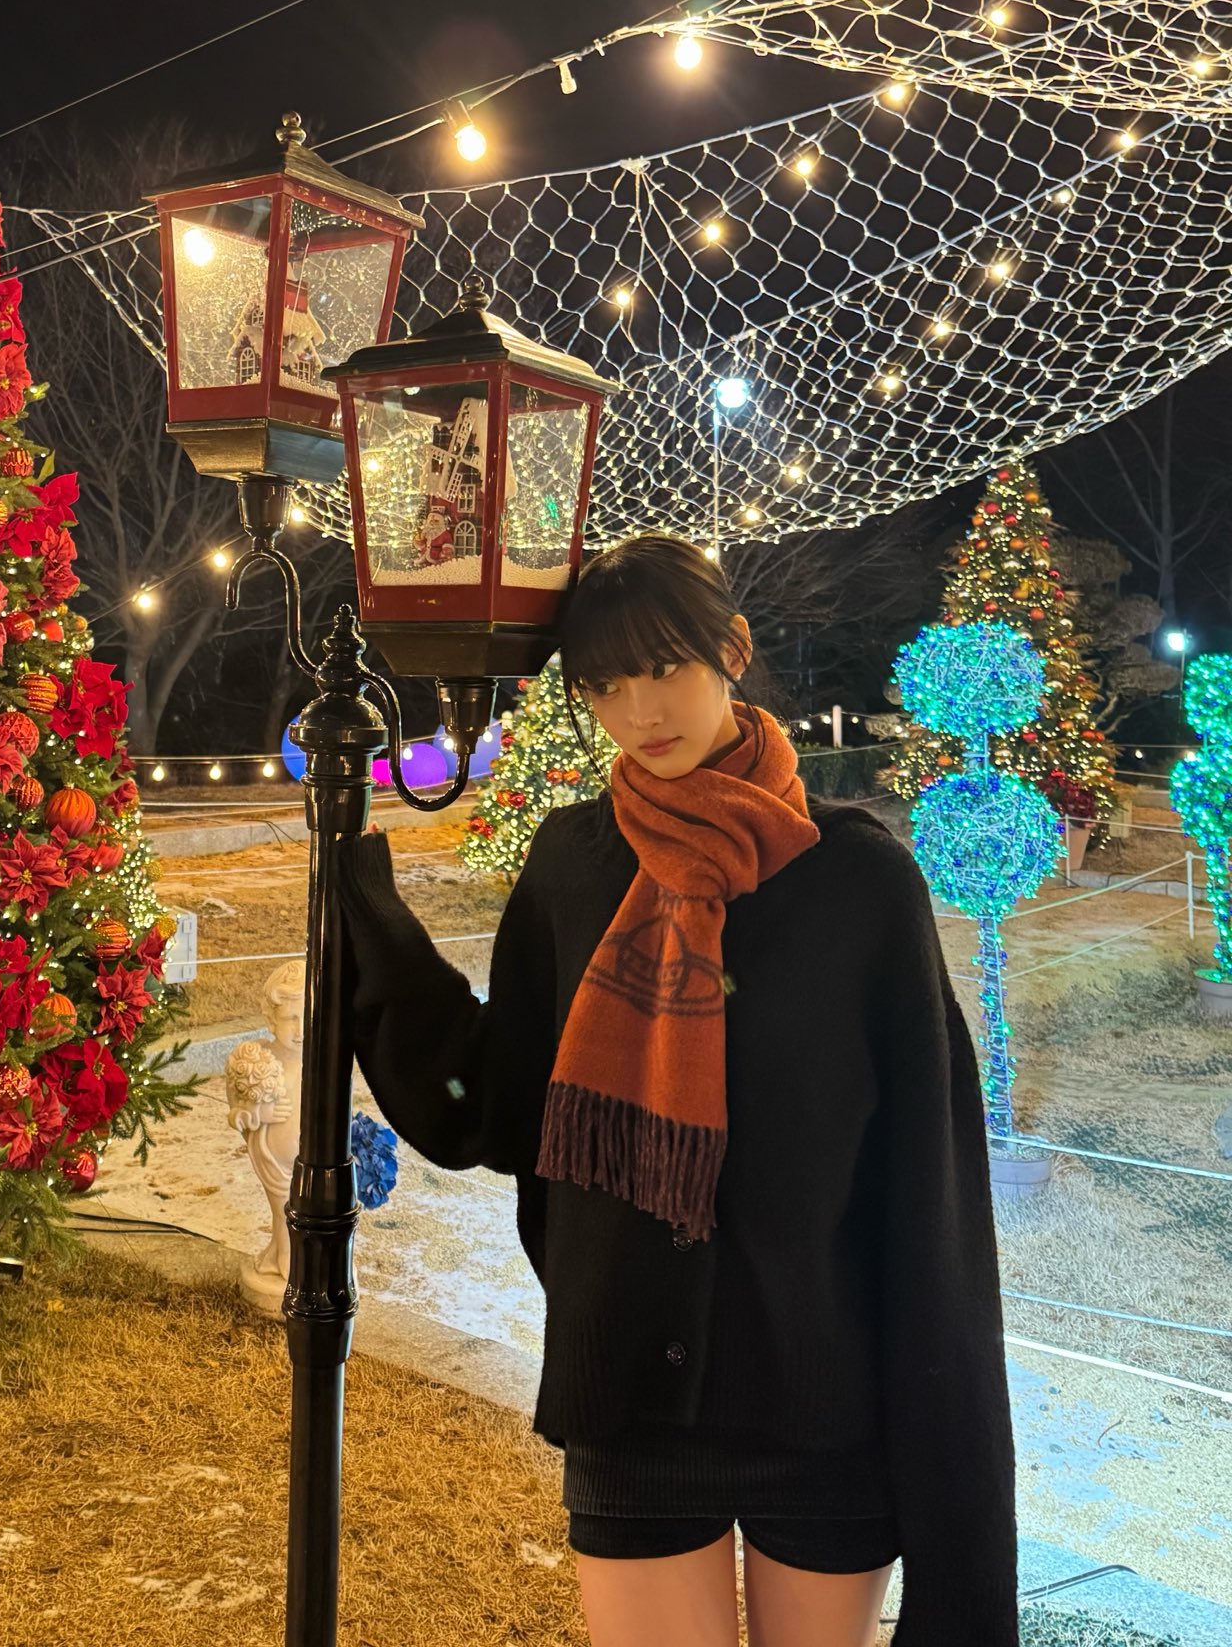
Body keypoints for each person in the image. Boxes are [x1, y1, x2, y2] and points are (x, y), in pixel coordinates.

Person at [335, 534, 1018, 1647]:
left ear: (731, 649)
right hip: (632, 1396)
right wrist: (369, 916)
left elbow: (930, 1194)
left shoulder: (856, 879)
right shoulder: (575, 863)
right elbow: (498, 1103)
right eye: (605, 684)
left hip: (822, 1403)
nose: (640, 711)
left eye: (664, 667)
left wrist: (962, 1520)